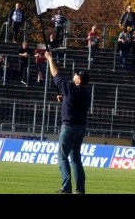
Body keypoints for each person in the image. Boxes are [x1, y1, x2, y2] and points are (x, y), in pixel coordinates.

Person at [45, 50, 91, 194]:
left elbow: (56, 75)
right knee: (76, 159)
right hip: (80, 127)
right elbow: (73, 101)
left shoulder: (70, 88)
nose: (74, 75)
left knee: (62, 157)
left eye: (76, 75)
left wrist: (49, 59)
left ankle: (66, 188)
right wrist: (64, 99)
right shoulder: (86, 93)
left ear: (78, 80)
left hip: (69, 126)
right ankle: (80, 189)